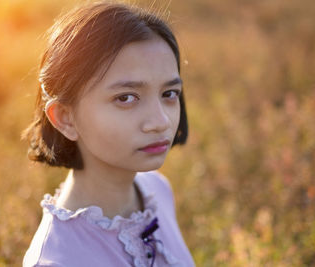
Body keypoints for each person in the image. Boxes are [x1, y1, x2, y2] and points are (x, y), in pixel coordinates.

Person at [22, 1, 194, 266]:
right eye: (126, 98)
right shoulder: (56, 260)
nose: (161, 122)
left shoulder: (155, 189)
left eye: (169, 94)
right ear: (66, 118)